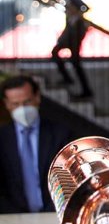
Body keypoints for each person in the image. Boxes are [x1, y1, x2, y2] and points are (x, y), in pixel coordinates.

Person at [0, 75, 73, 213]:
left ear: (37, 98)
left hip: (53, 214)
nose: (22, 109)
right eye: (16, 104)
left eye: (27, 102)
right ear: (7, 104)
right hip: (12, 219)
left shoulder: (60, 134)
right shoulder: (2, 138)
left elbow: (68, 179)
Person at [51, 0, 93, 99]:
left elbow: (84, 7)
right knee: (73, 61)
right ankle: (80, 86)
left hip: (75, 32)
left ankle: (82, 88)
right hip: (71, 31)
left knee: (74, 61)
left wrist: (77, 13)